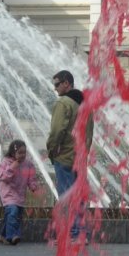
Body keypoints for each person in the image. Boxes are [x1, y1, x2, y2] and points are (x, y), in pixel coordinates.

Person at [46, 70, 94, 240]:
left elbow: (57, 130)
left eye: (57, 84)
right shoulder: (85, 104)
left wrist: (52, 149)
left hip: (64, 157)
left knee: (67, 196)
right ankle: (81, 233)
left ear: (67, 83)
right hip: (80, 157)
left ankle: (73, 233)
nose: (56, 88)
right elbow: (89, 133)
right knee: (79, 196)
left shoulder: (64, 103)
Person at [0, 140, 39, 245]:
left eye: (24, 152)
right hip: (8, 193)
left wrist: (33, 186)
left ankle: (2, 235)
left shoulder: (28, 164)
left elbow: (31, 177)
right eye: (20, 152)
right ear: (13, 153)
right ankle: (12, 236)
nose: (22, 155)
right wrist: (12, 167)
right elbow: (3, 177)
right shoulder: (6, 163)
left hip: (20, 193)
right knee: (13, 211)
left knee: (16, 215)